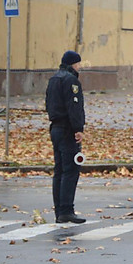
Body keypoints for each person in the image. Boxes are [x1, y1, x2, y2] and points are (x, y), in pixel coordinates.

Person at [46, 50, 86, 224]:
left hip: (55, 127)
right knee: (70, 171)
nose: (79, 66)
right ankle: (66, 210)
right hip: (67, 129)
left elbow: (48, 103)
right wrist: (78, 129)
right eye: (78, 63)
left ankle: (59, 211)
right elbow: (74, 106)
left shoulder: (54, 79)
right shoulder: (71, 80)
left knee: (59, 171)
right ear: (72, 64)